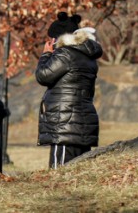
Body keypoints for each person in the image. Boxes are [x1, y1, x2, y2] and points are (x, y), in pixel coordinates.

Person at [35, 12, 102, 168]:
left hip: (65, 124)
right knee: (78, 173)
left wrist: (46, 54)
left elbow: (43, 75)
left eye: (50, 39)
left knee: (59, 172)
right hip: (81, 122)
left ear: (56, 39)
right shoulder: (88, 56)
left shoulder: (65, 54)